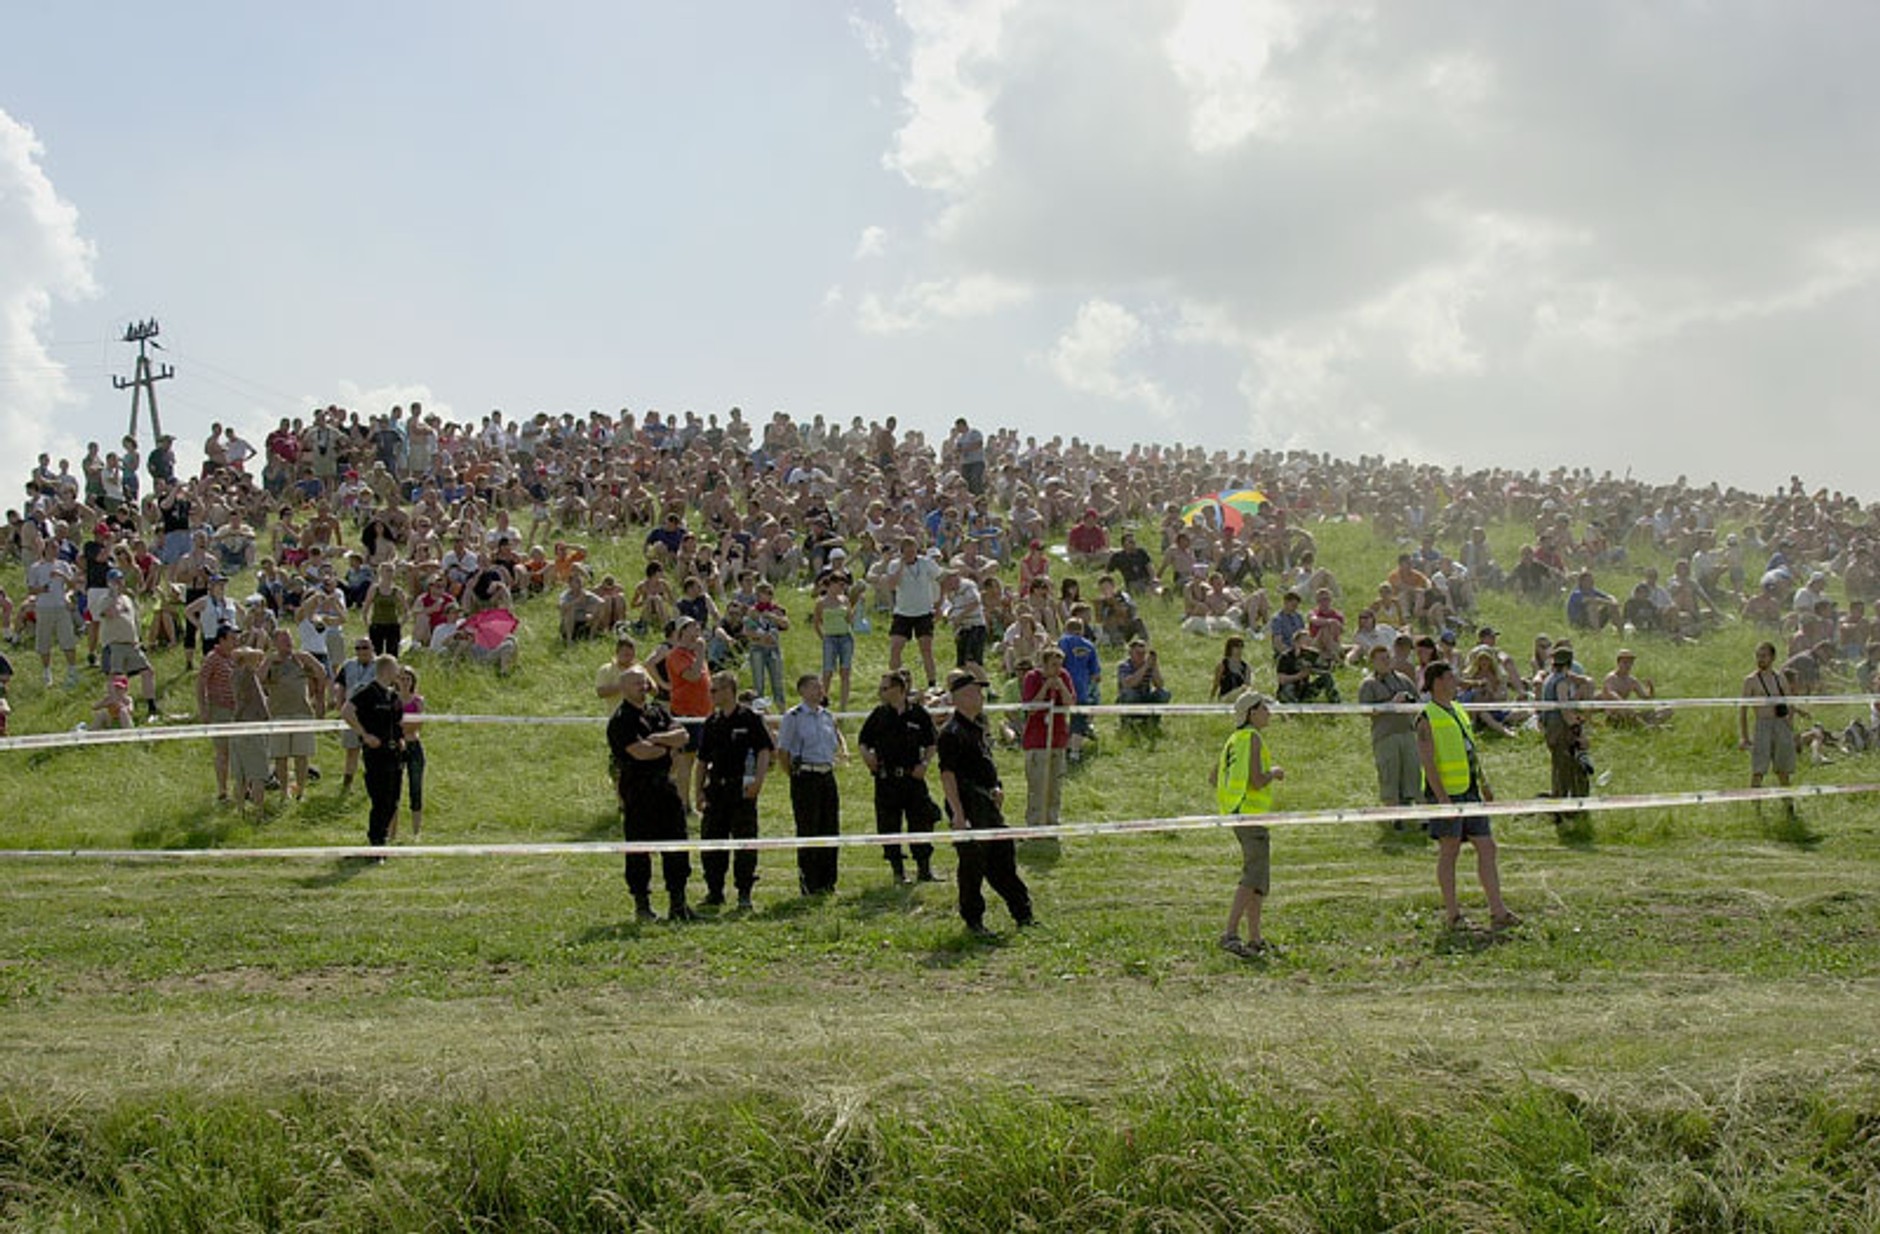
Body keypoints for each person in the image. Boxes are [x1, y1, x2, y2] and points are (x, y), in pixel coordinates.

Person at [1416, 661, 1519, 930]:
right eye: (1451, 678)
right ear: (1437, 681)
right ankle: (1453, 915)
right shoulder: (1426, 716)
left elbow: (1470, 751)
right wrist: (1442, 799)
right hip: (1447, 795)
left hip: (1470, 791)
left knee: (1487, 846)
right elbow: (1428, 761)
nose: (1456, 682)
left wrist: (1484, 783)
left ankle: (1498, 910)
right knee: (1449, 851)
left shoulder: (1459, 710)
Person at [937, 668, 1034, 936]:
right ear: (959, 698)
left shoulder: (978, 728)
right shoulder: (951, 732)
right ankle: (974, 921)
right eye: (974, 692)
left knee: (1003, 858)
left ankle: (1023, 913)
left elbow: (985, 766)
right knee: (972, 867)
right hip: (968, 805)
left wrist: (997, 787)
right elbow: (948, 776)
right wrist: (958, 814)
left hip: (986, 803)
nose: (980, 697)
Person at [605, 665, 695, 921]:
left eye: (644, 682)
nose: (643, 687)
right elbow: (640, 752)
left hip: (665, 788)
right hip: (638, 789)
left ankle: (679, 905)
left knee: (676, 844)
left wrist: (657, 740)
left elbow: (683, 735)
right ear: (623, 688)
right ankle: (642, 906)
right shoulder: (621, 720)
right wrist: (666, 746)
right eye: (636, 683)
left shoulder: (657, 711)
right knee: (639, 849)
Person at [694, 671, 773, 909]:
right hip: (717, 789)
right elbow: (702, 760)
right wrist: (697, 791)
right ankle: (714, 891)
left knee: (745, 843)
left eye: (715, 690)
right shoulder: (712, 722)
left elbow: (764, 750)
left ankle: (744, 893)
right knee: (712, 843)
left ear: (729, 690)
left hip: (742, 790)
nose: (712, 695)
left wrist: (758, 781)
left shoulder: (749, 718)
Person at [1213, 691, 1283, 957]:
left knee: (1258, 879)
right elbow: (1257, 780)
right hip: (1251, 816)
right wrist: (1273, 773)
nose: (1269, 712)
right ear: (1252, 712)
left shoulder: (1234, 739)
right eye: (1264, 707)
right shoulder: (1252, 738)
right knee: (1253, 876)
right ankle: (1230, 933)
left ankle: (1255, 938)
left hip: (1238, 812)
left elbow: (1214, 776)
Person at [857, 669, 943, 885]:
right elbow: (863, 741)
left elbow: (932, 742)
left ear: (900, 689)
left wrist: (924, 763)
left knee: (921, 822)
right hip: (886, 780)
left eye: (885, 688)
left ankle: (924, 869)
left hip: (912, 778)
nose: (881, 692)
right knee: (888, 825)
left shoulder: (918, 714)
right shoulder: (879, 715)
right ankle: (898, 872)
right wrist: (867, 757)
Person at [777, 673, 844, 896]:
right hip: (806, 775)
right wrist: (794, 776)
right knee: (809, 829)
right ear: (802, 691)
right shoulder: (793, 717)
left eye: (821, 687)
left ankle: (828, 881)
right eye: (814, 687)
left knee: (830, 827)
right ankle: (810, 882)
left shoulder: (827, 716)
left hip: (827, 775)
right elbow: (783, 751)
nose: (819, 691)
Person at [339, 654, 405, 848]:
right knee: (380, 798)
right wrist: (364, 735)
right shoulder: (368, 692)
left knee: (393, 799)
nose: (398, 672)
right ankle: (376, 840)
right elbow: (346, 711)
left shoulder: (393, 696)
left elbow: (398, 721)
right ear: (386, 670)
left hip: (394, 753)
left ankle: (383, 836)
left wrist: (400, 739)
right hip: (376, 753)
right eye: (395, 668)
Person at [265, 628, 327, 799]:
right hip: (278, 714)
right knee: (281, 756)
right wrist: (268, 661)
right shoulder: (271, 661)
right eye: (284, 639)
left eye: (290, 638)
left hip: (302, 713)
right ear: (275, 643)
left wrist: (309, 659)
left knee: (302, 754)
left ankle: (300, 791)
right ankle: (284, 791)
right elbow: (258, 679)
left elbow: (322, 673)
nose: (288, 642)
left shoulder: (301, 660)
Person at [1359, 644, 1422, 807]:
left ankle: (1414, 813)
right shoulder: (1368, 684)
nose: (1386, 661)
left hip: (1407, 733)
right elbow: (1364, 711)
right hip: (1385, 736)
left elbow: (1418, 702)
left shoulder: (1403, 679)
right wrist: (1390, 704)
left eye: (1388, 657)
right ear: (1373, 661)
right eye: (1381, 659)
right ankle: (1393, 816)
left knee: (1412, 774)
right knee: (1389, 776)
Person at [1020, 645, 1076, 830]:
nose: (1057, 669)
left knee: (1054, 785)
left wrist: (1060, 685)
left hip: (1057, 739)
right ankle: (1035, 822)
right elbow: (1031, 707)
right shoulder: (1032, 678)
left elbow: (1070, 703)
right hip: (1037, 740)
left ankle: (1052, 820)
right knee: (1038, 785)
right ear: (1043, 664)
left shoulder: (1064, 677)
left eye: (1059, 665)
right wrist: (1045, 687)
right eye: (1053, 665)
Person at [1540, 644, 1595, 819]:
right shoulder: (1561, 682)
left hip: (1550, 728)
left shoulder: (1550, 678)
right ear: (1569, 662)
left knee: (1559, 768)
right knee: (1566, 769)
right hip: (1560, 730)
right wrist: (1577, 729)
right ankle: (1565, 809)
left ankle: (1561, 807)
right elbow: (1564, 709)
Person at [885, 536, 943, 690]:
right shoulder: (895, 565)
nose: (911, 554)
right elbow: (891, 585)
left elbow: (941, 578)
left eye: (913, 550)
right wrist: (902, 566)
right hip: (903, 612)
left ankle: (932, 683)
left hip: (923, 612)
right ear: (902, 552)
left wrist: (939, 604)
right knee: (896, 647)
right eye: (907, 551)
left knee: (926, 649)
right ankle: (894, 682)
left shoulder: (926, 563)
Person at [1740, 640, 1797, 788]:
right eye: (1758, 656)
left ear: (1772, 657)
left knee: (1783, 771)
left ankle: (1788, 806)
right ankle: (1755, 807)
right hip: (1762, 725)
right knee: (1758, 770)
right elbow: (1743, 710)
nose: (1760, 659)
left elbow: (1790, 701)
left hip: (1781, 724)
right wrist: (1744, 736)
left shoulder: (1780, 677)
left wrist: (1790, 723)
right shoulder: (1750, 681)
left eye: (1764, 656)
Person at [196, 627, 240, 801]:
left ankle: (239, 788)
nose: (235, 642)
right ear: (221, 640)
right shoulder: (212, 659)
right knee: (223, 751)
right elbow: (201, 683)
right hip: (219, 709)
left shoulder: (234, 659)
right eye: (232, 639)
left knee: (236, 750)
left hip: (236, 710)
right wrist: (203, 709)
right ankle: (222, 791)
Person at [229, 647, 272, 812]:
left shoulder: (236, 675)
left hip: (239, 726)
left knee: (241, 777)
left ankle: (241, 810)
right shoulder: (245, 674)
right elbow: (258, 654)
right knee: (257, 775)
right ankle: (259, 812)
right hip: (252, 727)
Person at [397, 666, 426, 841]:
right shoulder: (392, 699)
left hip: (414, 746)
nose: (405, 682)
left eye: (408, 679)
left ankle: (416, 831)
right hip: (397, 747)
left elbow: (417, 724)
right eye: (402, 678)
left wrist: (402, 727)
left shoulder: (418, 701)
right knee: (394, 789)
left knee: (416, 788)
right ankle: (393, 830)